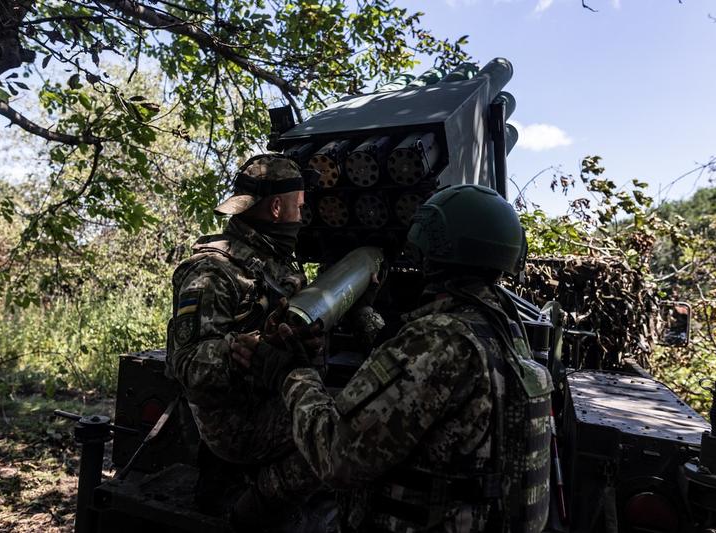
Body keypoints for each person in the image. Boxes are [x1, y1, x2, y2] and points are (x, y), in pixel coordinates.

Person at [233, 184, 553, 532]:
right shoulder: (502, 328)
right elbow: (416, 378)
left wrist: (292, 374)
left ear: (433, 252)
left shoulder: (441, 339)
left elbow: (336, 455)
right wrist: (364, 310)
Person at [165, 153, 322, 530]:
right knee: (336, 429)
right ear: (276, 208)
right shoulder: (213, 272)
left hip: (268, 398)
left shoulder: (272, 258)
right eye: (298, 207)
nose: (302, 216)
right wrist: (234, 352)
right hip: (236, 423)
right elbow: (182, 363)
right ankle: (256, 505)